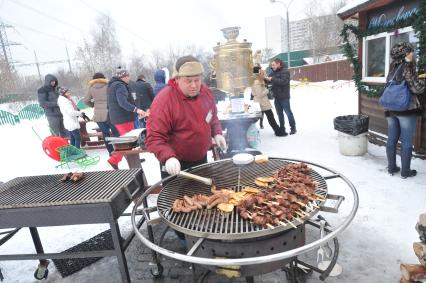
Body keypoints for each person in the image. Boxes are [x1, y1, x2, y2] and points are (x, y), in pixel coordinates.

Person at [146, 55, 227, 178]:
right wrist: (168, 157)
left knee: (203, 195)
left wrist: (217, 133)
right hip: (175, 165)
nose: (194, 85)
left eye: (197, 80)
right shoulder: (164, 101)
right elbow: (154, 138)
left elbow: (212, 115)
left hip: (201, 160)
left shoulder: (205, 93)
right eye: (188, 81)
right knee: (177, 197)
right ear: (177, 79)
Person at [384, 42, 425, 179]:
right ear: (405, 54)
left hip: (390, 108)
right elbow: (416, 88)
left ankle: (391, 167)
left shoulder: (392, 67)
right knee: (406, 142)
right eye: (410, 51)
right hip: (406, 109)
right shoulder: (407, 66)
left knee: (392, 139)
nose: (413, 53)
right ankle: (405, 172)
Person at [107, 68, 147, 169]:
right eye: (128, 76)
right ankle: (115, 160)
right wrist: (136, 110)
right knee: (128, 143)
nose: (129, 78)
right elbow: (122, 102)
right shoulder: (120, 86)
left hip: (119, 117)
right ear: (124, 76)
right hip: (123, 118)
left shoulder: (112, 85)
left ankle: (126, 159)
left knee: (126, 142)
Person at [83, 72, 119, 155]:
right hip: (110, 113)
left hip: (98, 115)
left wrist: (93, 105)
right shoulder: (108, 86)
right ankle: (119, 149)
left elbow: (85, 100)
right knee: (115, 132)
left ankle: (111, 152)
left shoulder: (91, 88)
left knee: (105, 134)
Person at [265, 58, 296, 136]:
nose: (272, 66)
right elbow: (268, 81)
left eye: (273, 65)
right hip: (276, 97)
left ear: (278, 64)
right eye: (271, 65)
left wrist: (272, 79)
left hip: (284, 97)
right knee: (279, 114)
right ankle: (282, 128)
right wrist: (265, 79)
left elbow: (283, 82)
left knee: (288, 113)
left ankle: (293, 128)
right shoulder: (272, 73)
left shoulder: (285, 71)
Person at [251, 65, 285, 136]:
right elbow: (259, 94)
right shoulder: (256, 81)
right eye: (261, 70)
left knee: (269, 117)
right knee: (270, 117)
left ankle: (278, 131)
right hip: (261, 102)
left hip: (262, 102)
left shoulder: (258, 79)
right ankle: (278, 132)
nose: (263, 72)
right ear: (258, 72)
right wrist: (268, 90)